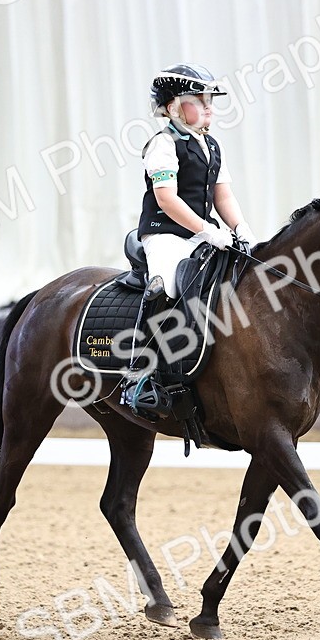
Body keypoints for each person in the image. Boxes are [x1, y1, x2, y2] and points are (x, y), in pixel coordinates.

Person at [122, 63, 259, 417]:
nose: (208, 105)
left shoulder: (212, 145)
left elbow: (222, 195)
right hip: (164, 234)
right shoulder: (163, 144)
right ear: (171, 107)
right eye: (198, 98)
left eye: (208, 98)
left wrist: (241, 227)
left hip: (203, 232)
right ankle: (140, 373)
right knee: (166, 284)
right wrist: (207, 230)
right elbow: (166, 198)